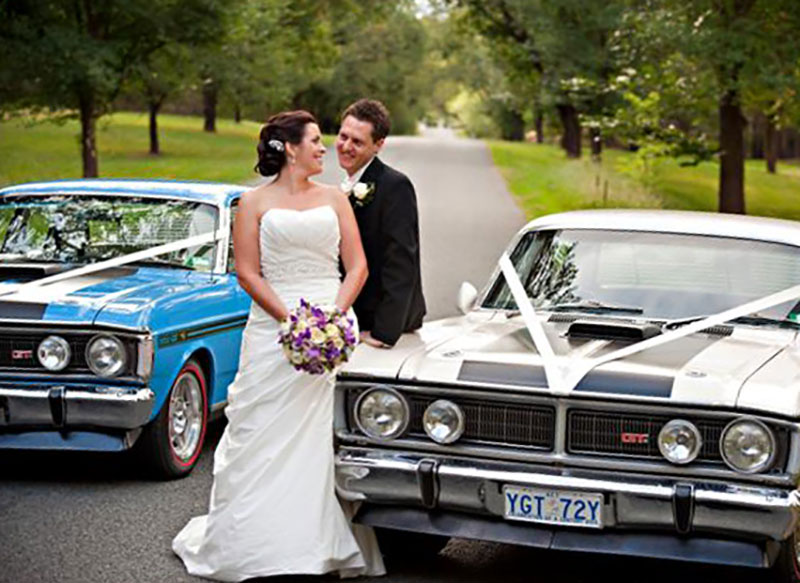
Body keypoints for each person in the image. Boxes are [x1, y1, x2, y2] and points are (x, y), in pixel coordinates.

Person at [172, 110, 385, 581]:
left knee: (318, 436)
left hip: (329, 322)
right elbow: (248, 273)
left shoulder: (335, 198)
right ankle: (257, 540)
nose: (323, 149)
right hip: (273, 327)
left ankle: (316, 540)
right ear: (289, 148)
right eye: (314, 141)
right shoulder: (252, 203)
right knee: (262, 430)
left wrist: (332, 318)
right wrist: (291, 321)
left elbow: (357, 267)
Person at [336, 99, 426, 348]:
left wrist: (383, 333)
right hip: (353, 320)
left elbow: (400, 262)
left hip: (379, 326)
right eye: (343, 136)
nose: (346, 146)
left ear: (378, 145)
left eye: (357, 142)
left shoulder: (394, 186)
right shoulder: (343, 187)